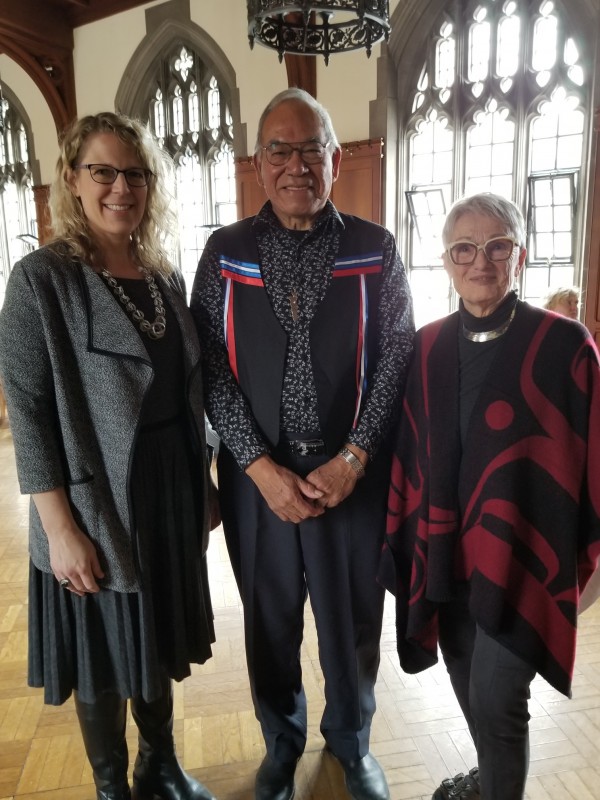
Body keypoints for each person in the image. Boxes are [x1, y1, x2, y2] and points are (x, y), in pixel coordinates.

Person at [191, 88, 414, 800]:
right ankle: (281, 743)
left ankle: (352, 742)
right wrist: (257, 469)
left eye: (309, 148)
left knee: (352, 622)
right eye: (279, 150)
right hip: (261, 484)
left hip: (351, 478)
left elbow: (397, 355)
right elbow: (208, 365)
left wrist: (355, 458)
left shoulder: (373, 249)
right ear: (258, 164)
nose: (295, 164)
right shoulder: (225, 254)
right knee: (270, 620)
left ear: (335, 157)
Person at [0, 112, 218, 800]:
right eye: (104, 171)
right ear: (72, 178)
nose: (121, 187)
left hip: (165, 483)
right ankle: (109, 786)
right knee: (102, 648)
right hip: (91, 496)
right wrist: (59, 528)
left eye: (135, 173)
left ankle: (161, 762)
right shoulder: (41, 280)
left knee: (156, 637)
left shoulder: (162, 276)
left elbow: (187, 387)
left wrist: (201, 479)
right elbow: (27, 408)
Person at [379, 192, 600, 800]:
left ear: (519, 255)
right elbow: (411, 454)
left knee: (498, 702)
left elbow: (590, 455)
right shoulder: (426, 347)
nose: (482, 261)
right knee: (468, 684)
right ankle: (489, 779)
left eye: (497, 245)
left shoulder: (565, 345)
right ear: (447, 262)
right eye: (464, 249)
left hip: (525, 561)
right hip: (449, 557)